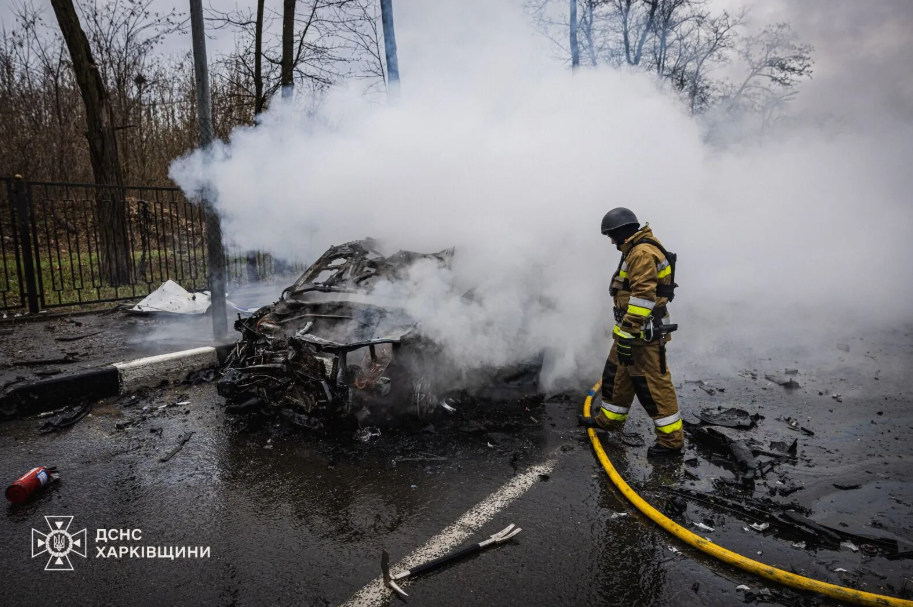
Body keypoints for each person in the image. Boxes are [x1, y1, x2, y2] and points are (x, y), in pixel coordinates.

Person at [580, 207, 684, 458]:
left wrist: (627, 332)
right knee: (617, 376)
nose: (612, 241)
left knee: (653, 386)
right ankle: (609, 422)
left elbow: (643, 298)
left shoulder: (641, 253)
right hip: (630, 332)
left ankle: (671, 442)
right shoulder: (636, 248)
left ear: (623, 232)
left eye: (612, 236)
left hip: (642, 335)